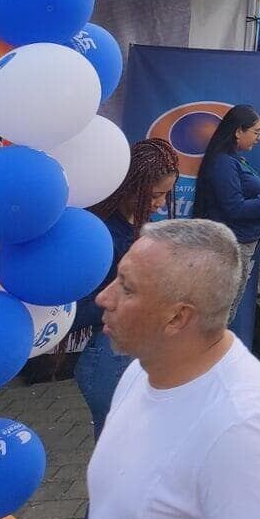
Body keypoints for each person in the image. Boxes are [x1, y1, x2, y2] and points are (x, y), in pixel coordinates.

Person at [81, 219, 260, 519]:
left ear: (177, 317)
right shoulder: (142, 371)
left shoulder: (243, 429)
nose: (104, 298)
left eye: (127, 287)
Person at [75, 138, 180, 436]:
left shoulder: (131, 225)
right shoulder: (104, 235)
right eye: (157, 195)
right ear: (133, 186)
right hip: (110, 359)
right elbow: (82, 308)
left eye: (166, 195)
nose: (161, 204)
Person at [194, 104, 260, 346]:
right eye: (256, 132)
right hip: (231, 245)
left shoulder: (233, 159)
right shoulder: (223, 163)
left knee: (228, 310)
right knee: (221, 313)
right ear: (239, 131)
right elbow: (234, 207)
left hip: (243, 243)